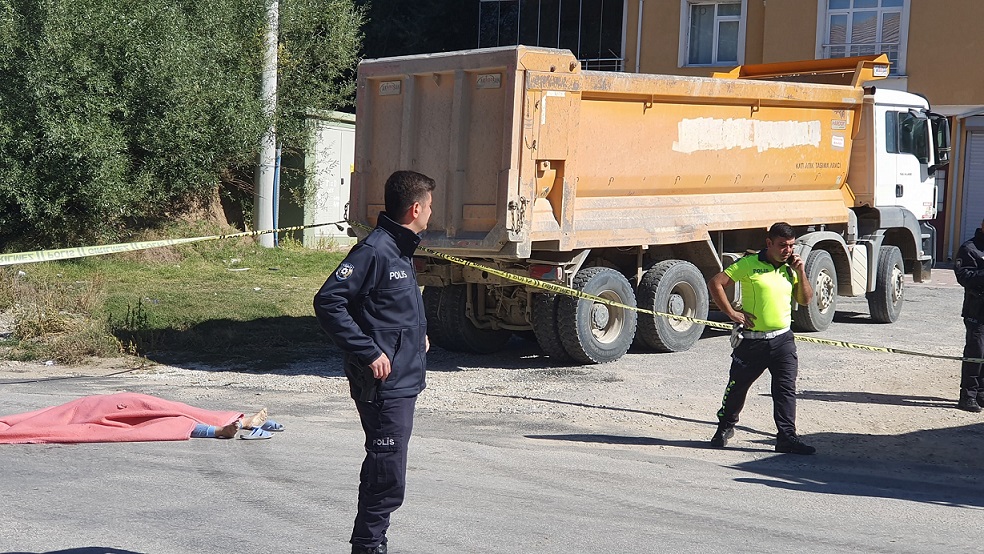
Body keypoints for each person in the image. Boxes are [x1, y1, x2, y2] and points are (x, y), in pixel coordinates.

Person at [313, 170, 434, 554]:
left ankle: (370, 544)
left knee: (386, 469)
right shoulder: (375, 250)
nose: (431, 213)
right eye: (429, 206)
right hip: (383, 385)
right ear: (415, 208)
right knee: (387, 476)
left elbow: (384, 309)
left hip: (403, 380)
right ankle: (368, 547)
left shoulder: (400, 249)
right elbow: (328, 301)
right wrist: (367, 351)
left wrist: (418, 336)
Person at [706, 222, 816, 455]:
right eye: (782, 245)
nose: (788, 250)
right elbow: (716, 283)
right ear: (769, 243)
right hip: (753, 341)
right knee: (737, 387)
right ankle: (725, 427)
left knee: (785, 389)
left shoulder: (790, 268)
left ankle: (787, 437)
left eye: (791, 246)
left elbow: (805, 299)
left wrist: (801, 272)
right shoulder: (748, 264)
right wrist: (732, 313)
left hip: (783, 340)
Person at [0, 392, 284, 443]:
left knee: (158, 407)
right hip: (91, 413)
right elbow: (35, 427)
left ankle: (238, 420)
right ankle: (221, 429)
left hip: (99, 403)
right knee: (139, 425)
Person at [955, 218, 984, 412]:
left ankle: (981, 393)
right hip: (977, 310)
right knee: (976, 352)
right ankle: (968, 395)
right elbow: (964, 277)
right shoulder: (970, 248)